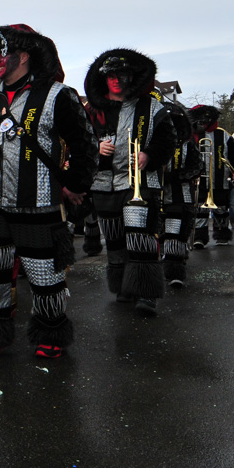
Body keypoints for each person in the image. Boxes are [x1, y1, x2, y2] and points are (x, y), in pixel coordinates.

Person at [0, 25, 96, 360]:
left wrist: (75, 185)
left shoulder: (60, 95)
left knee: (45, 275)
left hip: (40, 204)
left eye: (4, 52)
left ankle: (51, 334)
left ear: (26, 55)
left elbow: (84, 145)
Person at [84, 49, 175, 315]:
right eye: (110, 75)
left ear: (131, 76)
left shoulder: (151, 106)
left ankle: (146, 293)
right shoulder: (92, 110)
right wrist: (95, 148)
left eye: (121, 74)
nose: (115, 80)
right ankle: (123, 286)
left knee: (141, 238)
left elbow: (168, 142)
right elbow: (78, 144)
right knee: (114, 240)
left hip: (141, 182)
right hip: (103, 184)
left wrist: (150, 155)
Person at [188, 105, 234, 248]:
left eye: (206, 120)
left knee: (221, 209)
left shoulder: (223, 135)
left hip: (220, 180)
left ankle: (222, 235)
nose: (203, 123)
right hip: (199, 181)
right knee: (200, 210)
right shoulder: (191, 135)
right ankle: (199, 237)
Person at [160, 101, 202, 287]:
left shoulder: (187, 145)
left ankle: (175, 271)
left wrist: (176, 176)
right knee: (163, 234)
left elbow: (197, 166)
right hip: (157, 195)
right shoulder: (155, 143)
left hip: (180, 197)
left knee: (175, 233)